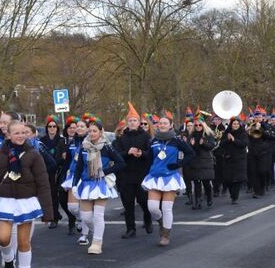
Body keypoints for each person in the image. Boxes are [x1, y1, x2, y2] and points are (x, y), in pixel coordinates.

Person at [0, 120, 53, 268]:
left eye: (23, 132)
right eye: (16, 133)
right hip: (4, 201)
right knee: (3, 238)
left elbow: (43, 183)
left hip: (26, 202)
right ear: (8, 135)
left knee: (23, 242)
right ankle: (8, 259)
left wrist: (48, 211)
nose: (20, 136)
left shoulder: (34, 155)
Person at [72, 119, 125, 253]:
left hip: (100, 183)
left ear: (101, 132)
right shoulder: (84, 147)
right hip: (86, 184)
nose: (92, 133)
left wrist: (104, 171)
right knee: (86, 217)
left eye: (94, 131)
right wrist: (74, 184)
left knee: (98, 216)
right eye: (89, 131)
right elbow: (78, 168)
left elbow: (121, 163)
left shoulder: (107, 147)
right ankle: (96, 232)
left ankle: (97, 243)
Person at [142, 116, 195, 247]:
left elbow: (191, 154)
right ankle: (160, 221)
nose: (162, 125)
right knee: (152, 208)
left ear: (171, 125)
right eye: (160, 123)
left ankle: (165, 235)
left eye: (165, 123)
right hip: (154, 177)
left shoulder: (177, 141)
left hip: (170, 177)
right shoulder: (153, 140)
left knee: (166, 208)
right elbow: (149, 158)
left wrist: (179, 164)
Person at [113, 103, 152, 238]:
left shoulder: (146, 137)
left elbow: (151, 154)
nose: (132, 123)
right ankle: (130, 229)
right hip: (125, 175)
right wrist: (127, 152)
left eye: (135, 120)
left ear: (139, 122)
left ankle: (148, 220)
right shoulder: (121, 138)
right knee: (128, 204)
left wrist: (142, 153)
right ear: (127, 123)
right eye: (130, 120)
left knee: (143, 201)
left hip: (141, 174)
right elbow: (116, 154)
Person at [60, 118, 89, 236]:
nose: (79, 128)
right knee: (72, 207)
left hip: (86, 176)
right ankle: (80, 219)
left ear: (87, 129)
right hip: (73, 175)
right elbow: (68, 162)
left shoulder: (90, 141)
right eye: (78, 126)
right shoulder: (72, 142)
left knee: (84, 206)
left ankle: (85, 235)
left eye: (82, 126)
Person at [39, 116, 66, 229]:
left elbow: (63, 156)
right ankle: (54, 217)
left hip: (58, 170)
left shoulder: (61, 140)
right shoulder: (42, 140)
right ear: (47, 128)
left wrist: (56, 163)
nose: (52, 128)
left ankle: (56, 215)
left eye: (54, 126)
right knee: (50, 195)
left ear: (57, 128)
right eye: (50, 126)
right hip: (47, 170)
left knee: (57, 194)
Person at [187, 119, 216, 209]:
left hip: (205, 161)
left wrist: (203, 144)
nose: (198, 127)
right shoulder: (192, 135)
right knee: (196, 183)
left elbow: (211, 146)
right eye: (196, 125)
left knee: (206, 182)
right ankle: (197, 202)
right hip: (195, 162)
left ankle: (209, 197)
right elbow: (188, 149)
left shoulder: (208, 135)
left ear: (203, 125)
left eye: (200, 125)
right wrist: (191, 145)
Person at [218, 117, 249, 203]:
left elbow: (244, 144)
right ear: (231, 125)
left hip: (239, 159)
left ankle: (235, 197)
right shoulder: (227, 132)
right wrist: (228, 140)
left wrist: (234, 140)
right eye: (234, 124)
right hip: (228, 158)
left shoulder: (243, 133)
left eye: (237, 124)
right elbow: (221, 144)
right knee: (228, 179)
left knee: (238, 179)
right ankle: (232, 194)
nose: (235, 125)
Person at [245, 120, 269, 198]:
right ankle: (256, 191)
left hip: (262, 153)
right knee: (253, 172)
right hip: (252, 152)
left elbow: (268, 136)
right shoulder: (250, 126)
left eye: (259, 117)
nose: (257, 118)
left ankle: (262, 187)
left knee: (262, 171)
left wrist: (260, 128)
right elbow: (247, 137)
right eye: (256, 117)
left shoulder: (265, 125)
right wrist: (247, 130)